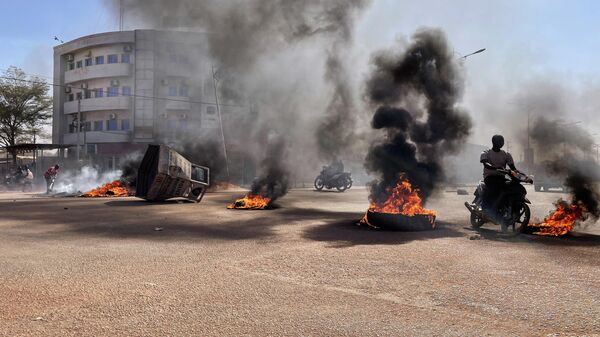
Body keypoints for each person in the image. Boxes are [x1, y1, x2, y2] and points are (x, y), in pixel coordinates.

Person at [480, 135, 519, 211]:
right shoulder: (486, 153)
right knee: (493, 188)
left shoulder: (506, 154)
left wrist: (521, 175)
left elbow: (513, 168)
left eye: (502, 141)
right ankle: (484, 208)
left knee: (510, 187)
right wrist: (496, 168)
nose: (502, 143)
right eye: (499, 141)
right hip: (490, 177)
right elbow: (486, 164)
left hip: (501, 178)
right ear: (493, 142)